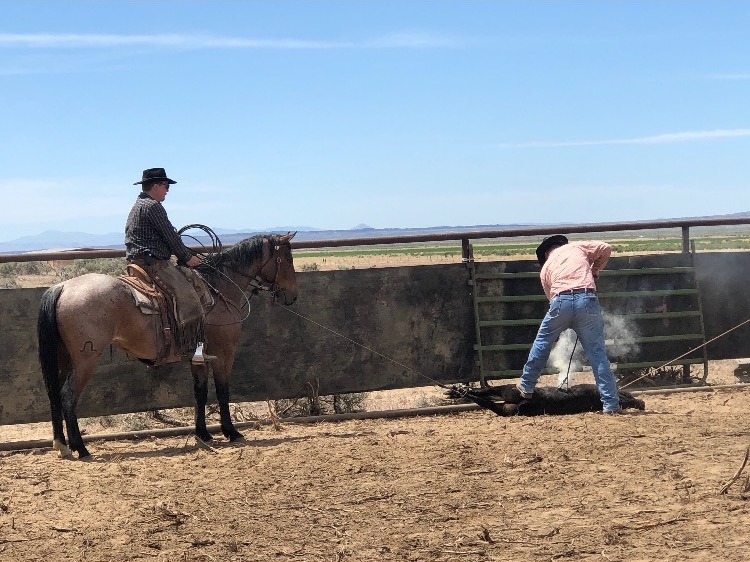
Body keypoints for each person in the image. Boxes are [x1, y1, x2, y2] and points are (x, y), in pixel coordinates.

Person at [516, 235, 622, 413]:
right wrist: (595, 269)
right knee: (597, 355)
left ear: (546, 253)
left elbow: (552, 299)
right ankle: (611, 404)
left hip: (560, 302)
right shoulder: (577, 247)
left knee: (542, 343)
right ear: (560, 245)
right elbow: (605, 248)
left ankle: (526, 386)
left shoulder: (545, 269)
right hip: (587, 299)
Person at [125, 167, 211, 364]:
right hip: (153, 264)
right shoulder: (153, 206)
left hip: (137, 262)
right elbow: (170, 236)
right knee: (190, 297)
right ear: (155, 186)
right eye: (165, 186)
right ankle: (193, 351)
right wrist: (187, 257)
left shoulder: (138, 205)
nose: (167, 191)